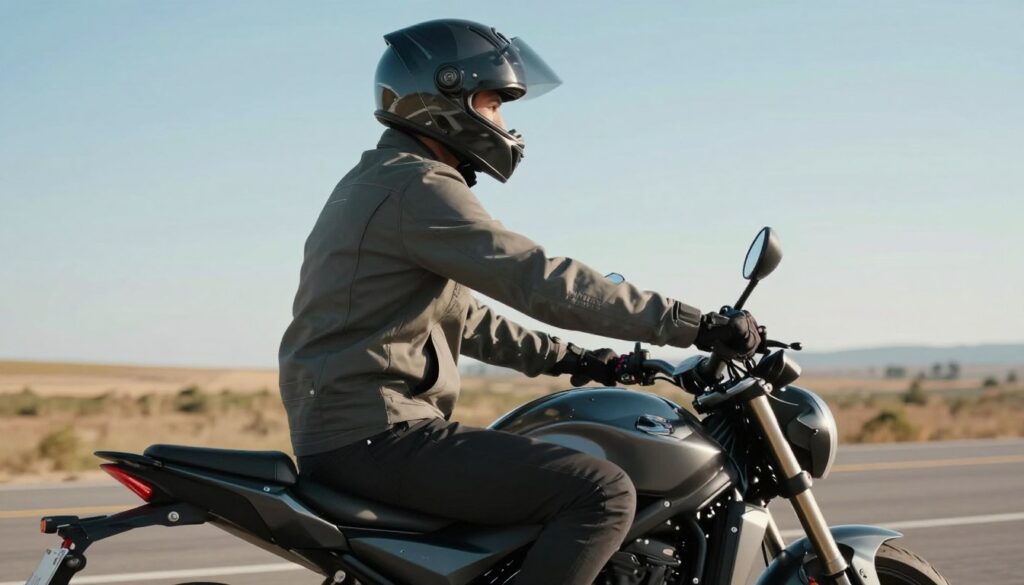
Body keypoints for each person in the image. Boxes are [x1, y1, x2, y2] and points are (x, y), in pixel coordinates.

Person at [279, 18, 761, 585]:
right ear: (444, 96)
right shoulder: (419, 187)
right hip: (376, 435)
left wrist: (579, 360)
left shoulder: (383, 181)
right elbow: (539, 279)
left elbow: (469, 319)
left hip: (356, 430)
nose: (503, 124)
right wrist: (690, 324)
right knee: (601, 492)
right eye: (493, 104)